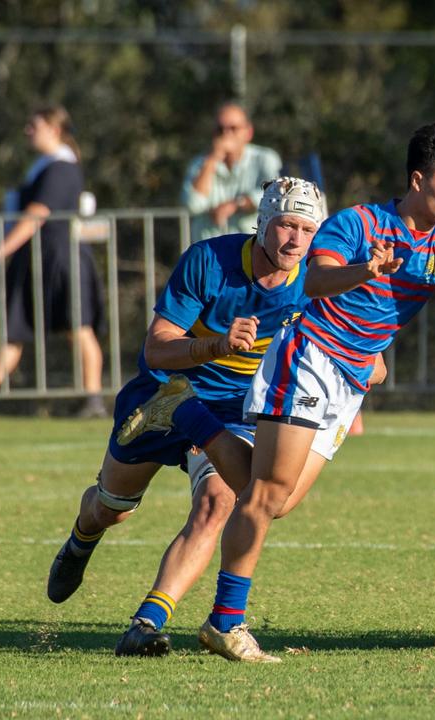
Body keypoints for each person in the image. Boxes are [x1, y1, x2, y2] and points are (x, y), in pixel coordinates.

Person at [198, 121, 435, 662]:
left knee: (277, 500)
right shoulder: (360, 223)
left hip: (352, 381)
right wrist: (367, 269)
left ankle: (193, 422)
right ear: (417, 177)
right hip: (310, 355)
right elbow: (312, 281)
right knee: (264, 495)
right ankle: (226, 623)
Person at [42, 178, 341, 658]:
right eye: (287, 224)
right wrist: (216, 345)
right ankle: (82, 537)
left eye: (308, 229)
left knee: (218, 504)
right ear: (263, 223)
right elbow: (156, 347)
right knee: (111, 507)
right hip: (163, 394)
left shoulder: (314, 278)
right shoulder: (209, 261)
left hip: (234, 410)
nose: (296, 240)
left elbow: (349, 335)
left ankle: (147, 622)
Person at [0, 106, 105, 418]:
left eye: (34, 125)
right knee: (14, 328)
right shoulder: (43, 167)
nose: (27, 131)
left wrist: (2, 249)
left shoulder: (61, 168)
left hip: (59, 258)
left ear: (54, 129)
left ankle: (93, 399)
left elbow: (37, 214)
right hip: (34, 258)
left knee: (78, 327)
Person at [182, 102, 283, 244]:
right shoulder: (200, 164)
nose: (226, 134)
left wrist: (236, 204)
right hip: (209, 252)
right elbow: (192, 204)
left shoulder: (265, 158)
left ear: (248, 132)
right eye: (220, 129)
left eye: (233, 128)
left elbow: (277, 193)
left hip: (253, 251)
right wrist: (212, 159)